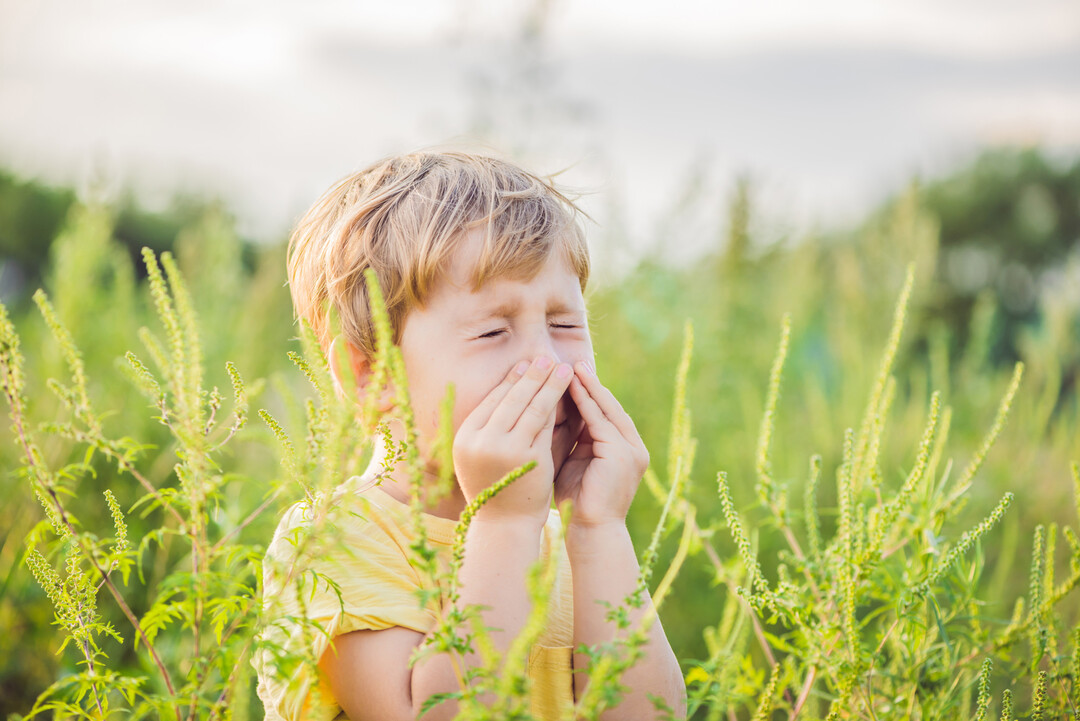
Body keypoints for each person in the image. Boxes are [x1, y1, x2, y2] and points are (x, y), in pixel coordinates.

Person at [254, 151, 685, 721]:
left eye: (564, 324)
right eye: (491, 331)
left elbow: (648, 713)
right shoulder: (334, 539)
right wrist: (503, 521)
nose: (545, 362)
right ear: (373, 375)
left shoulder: (565, 542)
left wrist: (598, 528)